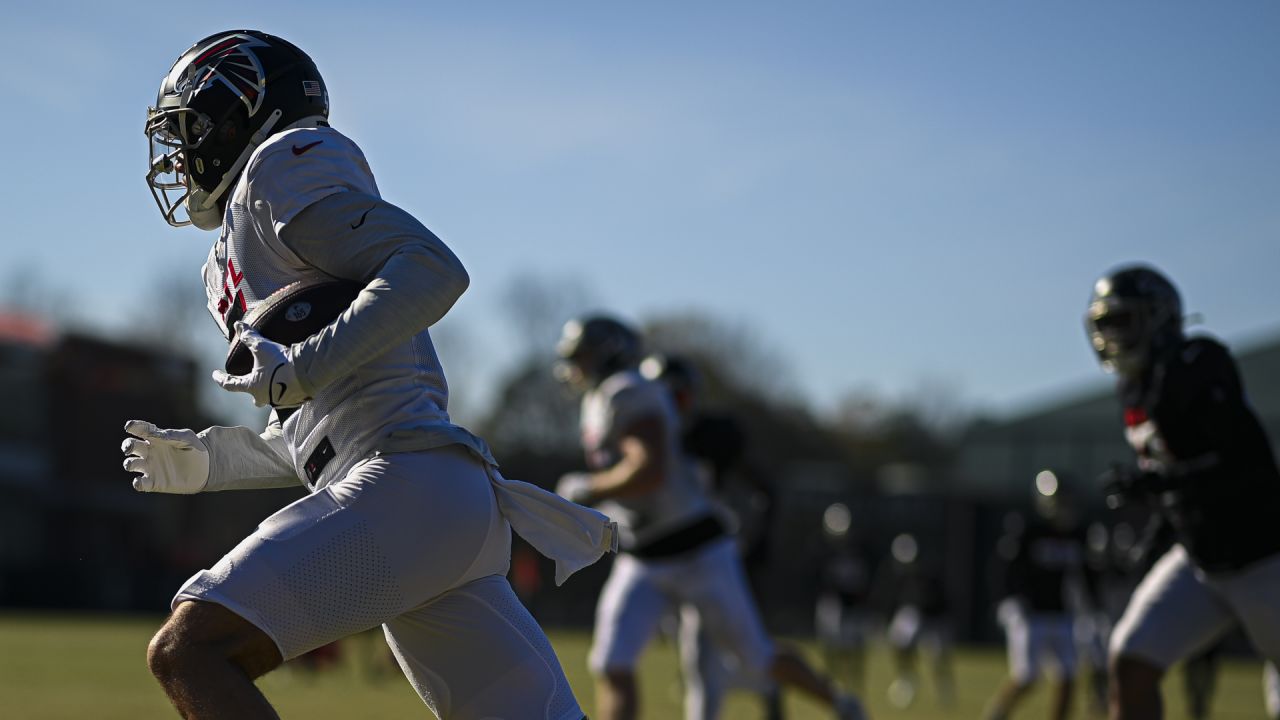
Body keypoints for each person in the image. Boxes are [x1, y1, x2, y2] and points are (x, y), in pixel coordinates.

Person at [129, 29, 616, 719]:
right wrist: (214, 459)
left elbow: (431, 269)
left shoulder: (281, 164)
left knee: (190, 651)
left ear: (245, 108)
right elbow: (319, 429)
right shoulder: (228, 260)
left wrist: (298, 369)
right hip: (419, 495)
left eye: (191, 128)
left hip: (404, 484)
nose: (180, 152)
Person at [553, 316, 867, 720]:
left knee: (757, 658)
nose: (575, 366)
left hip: (696, 548)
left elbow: (648, 470)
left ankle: (841, 703)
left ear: (608, 352)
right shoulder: (601, 400)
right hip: (643, 555)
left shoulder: (628, 391)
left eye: (583, 355)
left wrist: (589, 488)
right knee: (612, 661)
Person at [1085, 264, 1280, 720]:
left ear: (1158, 318)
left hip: (1264, 556)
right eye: (1105, 323)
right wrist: (1151, 540)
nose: (1112, 335)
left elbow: (1240, 464)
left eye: (1122, 321)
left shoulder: (1199, 363)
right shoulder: (1133, 389)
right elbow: (1175, 486)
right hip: (1199, 558)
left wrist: (1157, 483)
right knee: (1131, 662)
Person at [641, 353, 785, 720]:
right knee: (705, 660)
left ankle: (773, 689)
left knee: (727, 656)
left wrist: (756, 541)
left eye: (678, 396)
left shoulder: (710, 436)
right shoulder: (637, 436)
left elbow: (762, 485)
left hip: (709, 556)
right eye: (662, 397)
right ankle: (770, 688)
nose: (671, 406)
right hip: (667, 558)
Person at [984, 471, 1098, 720]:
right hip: (1030, 613)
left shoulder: (1077, 535)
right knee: (1027, 677)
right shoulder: (1029, 532)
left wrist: (1093, 605)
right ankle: (997, 714)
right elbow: (1005, 570)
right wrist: (1009, 600)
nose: (1066, 507)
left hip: (1060, 612)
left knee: (1068, 677)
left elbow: (1087, 575)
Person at [875, 533, 955, 711]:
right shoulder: (897, 573)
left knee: (938, 657)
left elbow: (940, 600)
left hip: (935, 617)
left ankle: (944, 687)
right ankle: (907, 678)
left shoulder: (930, 570)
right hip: (916, 615)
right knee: (898, 640)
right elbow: (893, 600)